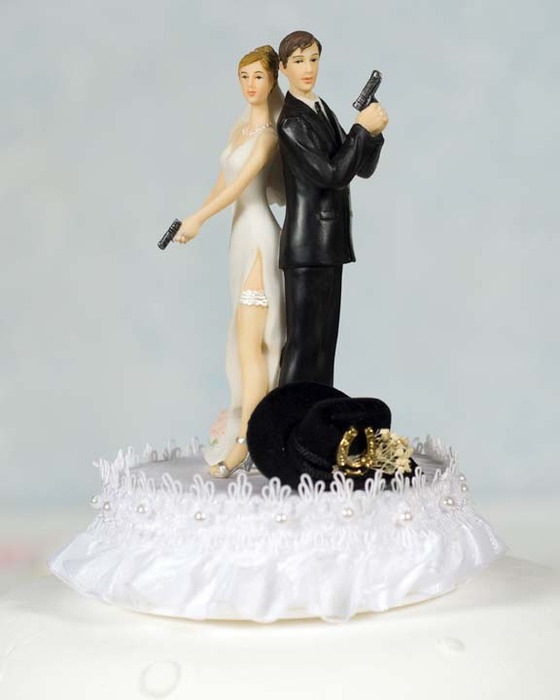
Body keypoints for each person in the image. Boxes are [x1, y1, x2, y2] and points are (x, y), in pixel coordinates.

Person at [174, 45, 285, 477]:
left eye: (258, 76)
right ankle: (245, 425)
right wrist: (194, 216)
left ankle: (246, 441)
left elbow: (240, 188)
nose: (251, 84)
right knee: (241, 343)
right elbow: (222, 181)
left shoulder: (268, 137)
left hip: (258, 237)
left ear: (272, 81)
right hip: (238, 240)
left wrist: (200, 219)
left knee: (253, 344)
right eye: (244, 76)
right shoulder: (240, 130)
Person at [276, 30, 389, 387]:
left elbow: (359, 168)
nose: (308, 68)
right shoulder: (292, 122)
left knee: (325, 347)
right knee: (303, 347)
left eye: (313, 59)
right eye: (298, 61)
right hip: (308, 247)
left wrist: (372, 135)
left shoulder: (320, 108)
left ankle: (318, 414)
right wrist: (360, 130)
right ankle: (286, 416)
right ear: (283, 68)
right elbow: (332, 175)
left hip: (328, 245)